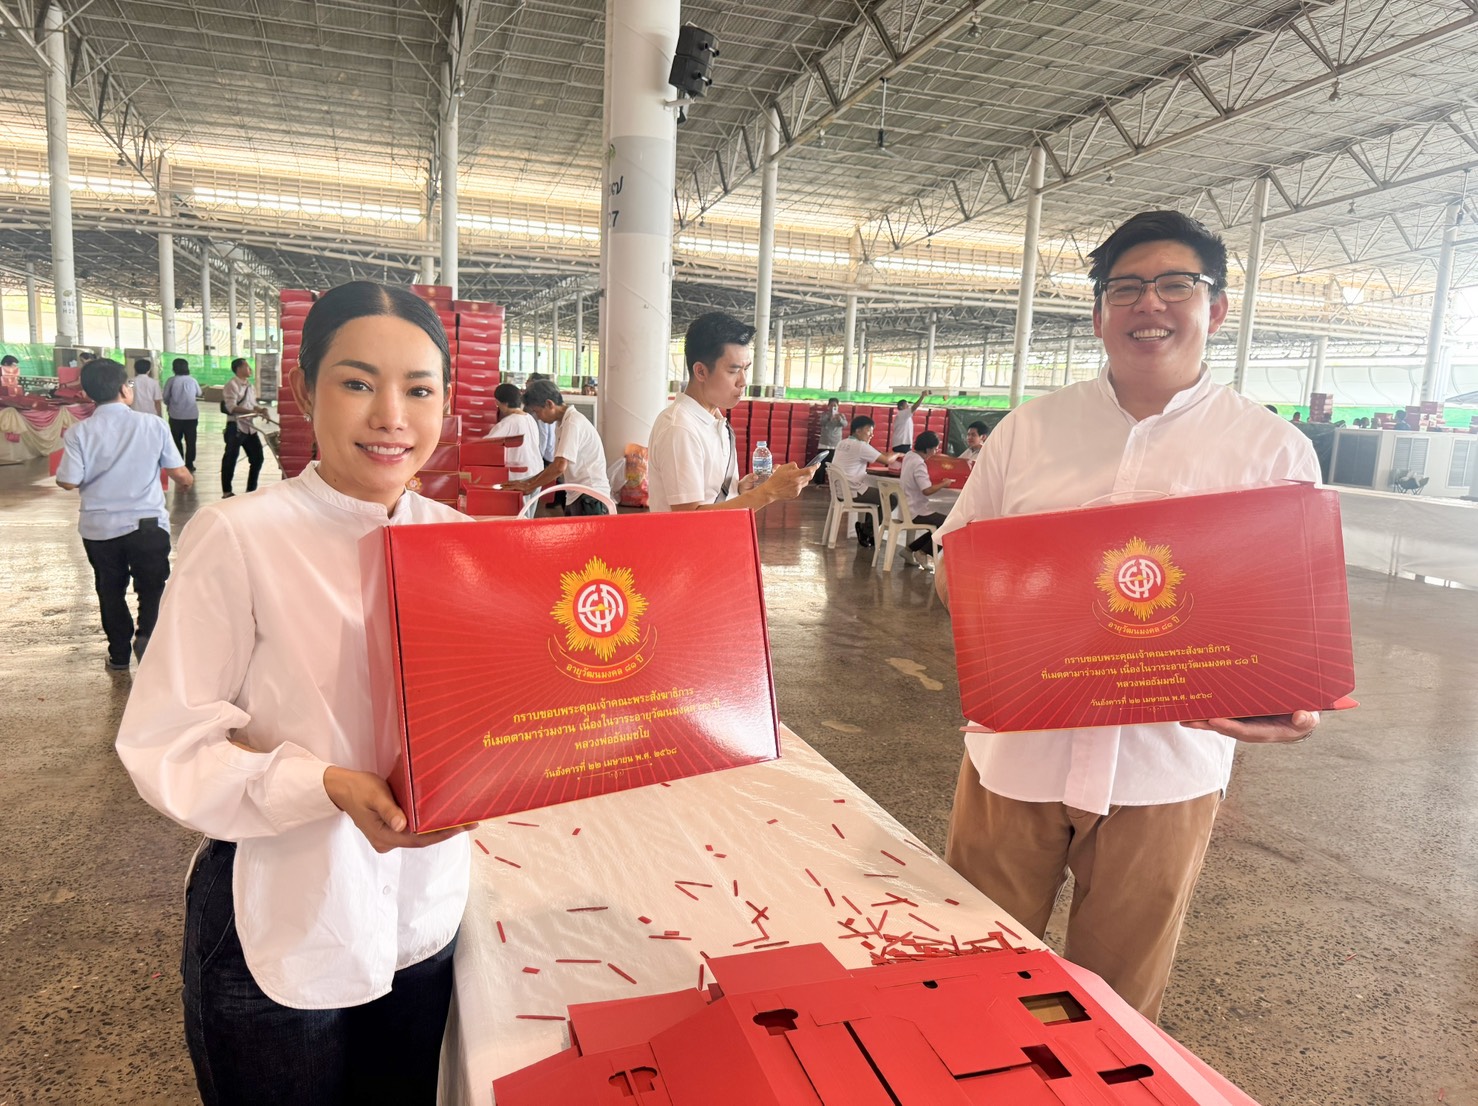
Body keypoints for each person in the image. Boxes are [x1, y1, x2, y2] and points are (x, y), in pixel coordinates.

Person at [933, 210, 1321, 1022]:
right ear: (1100, 311)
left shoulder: (1270, 451)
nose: (1151, 305)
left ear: (1214, 308)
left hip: (1167, 767)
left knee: (1115, 1012)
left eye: (1176, 284)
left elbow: (1293, 618)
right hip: (1017, 757)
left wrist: (1293, 693)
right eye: (1127, 288)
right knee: (971, 978)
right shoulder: (1030, 432)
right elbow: (952, 565)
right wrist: (1018, 598)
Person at [115, 282, 474, 1105]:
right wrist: (327, 786)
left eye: (419, 389)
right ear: (306, 390)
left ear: (446, 404)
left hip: (422, 920)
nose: (391, 415)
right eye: (357, 383)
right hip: (280, 916)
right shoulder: (241, 537)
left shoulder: (458, 547)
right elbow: (167, 743)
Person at [55, 358, 193, 670]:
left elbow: (68, 480)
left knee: (109, 589)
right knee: (153, 586)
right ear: (123, 389)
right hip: (146, 525)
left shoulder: (79, 433)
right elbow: (178, 472)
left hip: (99, 529)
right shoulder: (152, 424)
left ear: (90, 394)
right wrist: (186, 482)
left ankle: (118, 654)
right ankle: (148, 638)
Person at [647, 311, 813, 513]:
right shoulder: (681, 429)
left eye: (746, 369)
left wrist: (738, 490)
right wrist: (768, 492)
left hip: (724, 541)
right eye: (733, 371)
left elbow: (712, 498)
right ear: (701, 371)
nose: (743, 381)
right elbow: (688, 522)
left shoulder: (715, 421)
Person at [509, 378, 612, 515]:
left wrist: (530, 486)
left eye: (537, 411)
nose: (538, 417)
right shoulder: (561, 423)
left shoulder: (573, 422)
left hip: (591, 497)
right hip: (577, 494)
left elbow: (559, 466)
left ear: (549, 404)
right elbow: (556, 465)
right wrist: (528, 482)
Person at [830, 415, 900, 548]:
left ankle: (869, 531)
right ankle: (867, 530)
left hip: (840, 491)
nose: (871, 435)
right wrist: (898, 454)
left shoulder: (842, 443)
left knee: (876, 497)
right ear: (858, 431)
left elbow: (877, 453)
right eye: (869, 431)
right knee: (891, 499)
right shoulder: (861, 446)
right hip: (852, 492)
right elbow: (887, 461)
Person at [896, 430, 951, 568]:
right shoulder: (919, 463)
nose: (936, 451)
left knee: (941, 524)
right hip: (916, 511)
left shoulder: (909, 456)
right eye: (935, 448)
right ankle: (923, 552)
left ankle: (909, 550)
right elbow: (927, 490)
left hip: (906, 508)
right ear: (928, 449)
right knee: (949, 524)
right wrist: (944, 484)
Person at [484, 381, 546, 485]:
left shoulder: (508, 423)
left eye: (497, 404)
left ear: (504, 404)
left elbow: (485, 446)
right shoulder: (529, 418)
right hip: (536, 473)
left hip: (519, 477)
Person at [221, 357, 266, 497]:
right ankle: (227, 491)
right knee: (230, 459)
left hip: (249, 427)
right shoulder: (232, 385)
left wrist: (260, 409)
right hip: (236, 427)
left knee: (258, 458)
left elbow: (251, 404)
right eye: (247, 366)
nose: (250, 369)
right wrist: (252, 412)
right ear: (239, 369)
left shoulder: (250, 386)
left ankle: (251, 490)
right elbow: (231, 407)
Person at [161, 357, 203, 472]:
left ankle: (179, 462)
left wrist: (169, 403)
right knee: (191, 440)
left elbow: (165, 397)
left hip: (175, 415)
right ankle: (190, 464)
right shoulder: (192, 380)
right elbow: (199, 393)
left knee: (176, 440)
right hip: (191, 415)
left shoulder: (171, 380)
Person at [813, 396, 847, 484]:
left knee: (834, 464)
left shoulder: (841, 416)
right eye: (831, 405)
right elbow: (821, 423)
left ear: (838, 406)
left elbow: (845, 424)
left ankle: (833, 482)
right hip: (824, 442)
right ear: (828, 406)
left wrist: (839, 419)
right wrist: (829, 419)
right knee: (821, 463)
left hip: (836, 444)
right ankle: (819, 482)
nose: (833, 407)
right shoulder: (824, 415)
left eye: (835, 405)